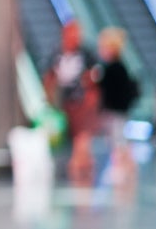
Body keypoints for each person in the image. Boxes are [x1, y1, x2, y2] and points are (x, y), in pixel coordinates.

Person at [45, 21, 99, 184]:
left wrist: (91, 97)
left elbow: (94, 77)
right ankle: (68, 168)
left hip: (81, 103)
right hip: (62, 104)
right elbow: (49, 77)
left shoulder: (86, 55)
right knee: (64, 138)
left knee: (82, 138)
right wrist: (49, 97)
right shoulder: (57, 54)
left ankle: (82, 169)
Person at [96, 28, 139, 184]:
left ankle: (121, 167)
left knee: (117, 140)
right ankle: (123, 166)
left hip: (116, 111)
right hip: (117, 111)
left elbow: (108, 88)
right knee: (117, 139)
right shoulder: (116, 67)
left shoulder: (114, 68)